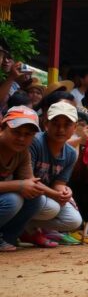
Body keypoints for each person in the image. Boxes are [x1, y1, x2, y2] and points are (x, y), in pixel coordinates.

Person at [24, 101, 83, 247]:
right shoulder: (35, 143)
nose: (61, 129)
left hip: (45, 195)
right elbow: (27, 179)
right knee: (52, 207)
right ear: (46, 124)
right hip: (27, 192)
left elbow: (59, 183)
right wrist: (55, 195)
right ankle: (24, 227)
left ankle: (26, 226)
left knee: (74, 220)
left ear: (75, 127)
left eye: (67, 124)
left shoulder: (70, 153)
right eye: (55, 123)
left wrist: (65, 192)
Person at [0, 106, 45, 251]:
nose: (21, 138)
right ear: (3, 128)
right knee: (13, 200)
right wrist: (19, 185)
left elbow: (30, 183)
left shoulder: (23, 152)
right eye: (16, 132)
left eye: (28, 134)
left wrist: (61, 193)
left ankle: (7, 238)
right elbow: (22, 184)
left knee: (34, 197)